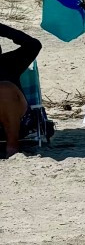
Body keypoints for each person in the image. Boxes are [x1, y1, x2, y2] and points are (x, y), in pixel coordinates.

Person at [0, 20, 43, 158]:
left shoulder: (8, 62)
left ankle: (12, 145)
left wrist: (2, 29)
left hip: (15, 124)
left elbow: (33, 45)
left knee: (4, 89)